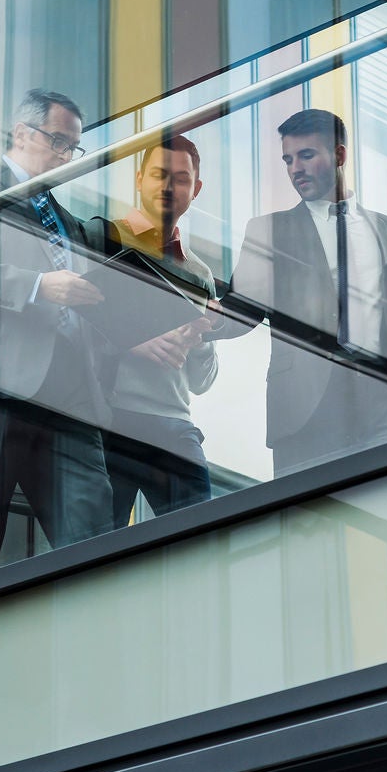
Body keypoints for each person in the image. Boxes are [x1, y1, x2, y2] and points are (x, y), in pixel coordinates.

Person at [221, 107, 387, 475]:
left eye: (306, 155)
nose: (295, 169)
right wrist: (189, 312)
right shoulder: (269, 231)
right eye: (288, 160)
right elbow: (240, 310)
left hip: (384, 396)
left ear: (339, 155)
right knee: (311, 527)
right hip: (306, 406)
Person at [0, 88, 115, 567]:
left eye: (72, 147)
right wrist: (37, 286)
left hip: (73, 387)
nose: (64, 156)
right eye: (57, 141)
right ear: (20, 132)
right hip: (0, 384)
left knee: (94, 537)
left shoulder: (67, 220)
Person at [100, 133, 219, 525]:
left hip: (173, 422)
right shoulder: (104, 238)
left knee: (202, 538)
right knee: (97, 550)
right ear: (140, 179)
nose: (169, 187)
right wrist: (132, 344)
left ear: (195, 189)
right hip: (111, 416)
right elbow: (74, 326)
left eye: (181, 179)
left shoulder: (200, 274)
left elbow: (202, 382)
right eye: (158, 174)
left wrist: (200, 338)